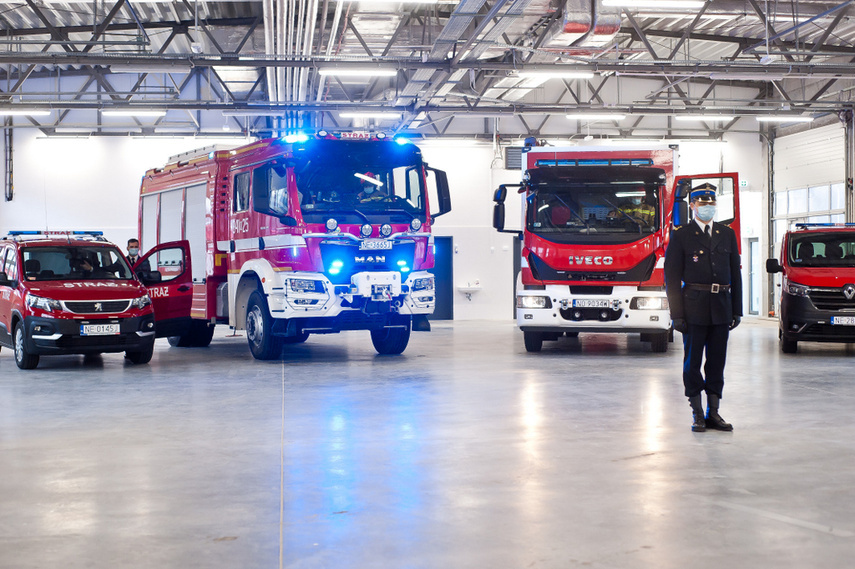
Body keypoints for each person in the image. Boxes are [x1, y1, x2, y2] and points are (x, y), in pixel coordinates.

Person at [664, 183, 743, 432]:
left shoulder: (726, 234)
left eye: (711, 204)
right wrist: (676, 314)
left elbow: (735, 274)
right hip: (693, 308)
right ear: (693, 206)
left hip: (721, 307)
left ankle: (714, 412)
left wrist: (737, 309)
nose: (708, 208)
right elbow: (672, 277)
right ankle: (697, 412)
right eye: (702, 204)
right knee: (693, 362)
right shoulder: (682, 235)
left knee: (717, 362)